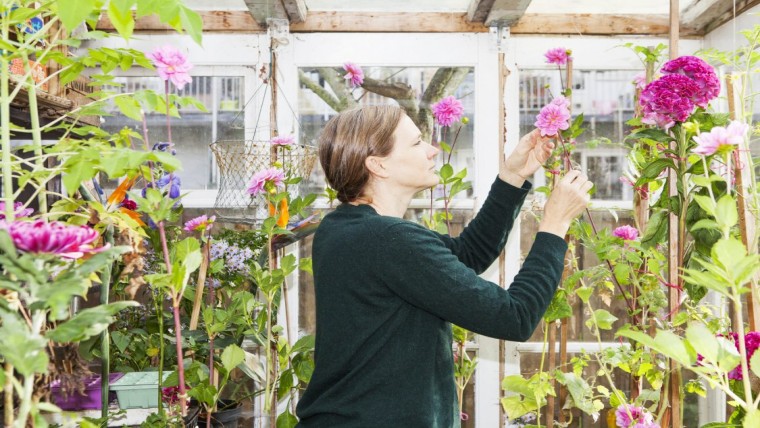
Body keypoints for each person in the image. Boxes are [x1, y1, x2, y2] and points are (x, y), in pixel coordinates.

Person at [296, 105, 592, 427]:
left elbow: (466, 255)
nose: (432, 150)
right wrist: (554, 224)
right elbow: (514, 317)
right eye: (417, 142)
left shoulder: (342, 227)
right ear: (378, 164)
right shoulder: (389, 239)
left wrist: (513, 175)